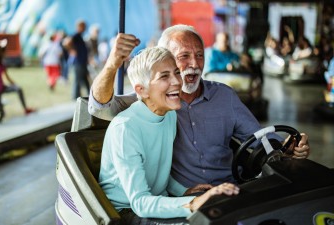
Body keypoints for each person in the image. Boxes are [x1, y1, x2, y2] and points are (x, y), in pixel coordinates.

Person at [88, 24, 311, 188]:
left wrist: (287, 149)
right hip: (185, 196)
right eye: (184, 56)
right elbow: (99, 107)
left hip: (233, 189)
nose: (194, 64)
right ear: (166, 60)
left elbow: (260, 138)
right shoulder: (152, 101)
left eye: (199, 56)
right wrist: (112, 63)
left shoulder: (225, 96)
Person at [99, 46, 240, 224]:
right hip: (126, 212)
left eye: (176, 73)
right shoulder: (125, 128)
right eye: (164, 76)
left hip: (157, 200)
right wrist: (194, 202)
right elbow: (140, 202)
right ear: (142, 90)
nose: (176, 82)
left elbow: (158, 170)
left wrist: (183, 192)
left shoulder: (169, 114)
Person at [71, 20, 90, 99]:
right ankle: (75, 96)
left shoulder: (81, 36)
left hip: (83, 62)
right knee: (78, 80)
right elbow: (66, 42)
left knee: (85, 79)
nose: (85, 28)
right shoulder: (75, 36)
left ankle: (89, 93)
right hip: (78, 62)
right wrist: (71, 50)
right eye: (83, 26)